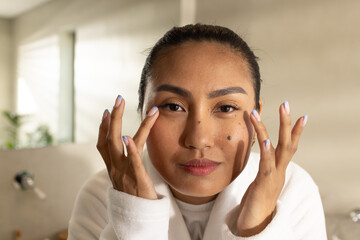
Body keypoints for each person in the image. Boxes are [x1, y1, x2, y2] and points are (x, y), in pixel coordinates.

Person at [68, 24, 327, 239]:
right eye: (173, 106)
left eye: (226, 107)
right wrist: (134, 219)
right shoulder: (101, 196)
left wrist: (257, 228)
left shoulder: (293, 189)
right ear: (142, 112)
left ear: (255, 115)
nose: (198, 139)